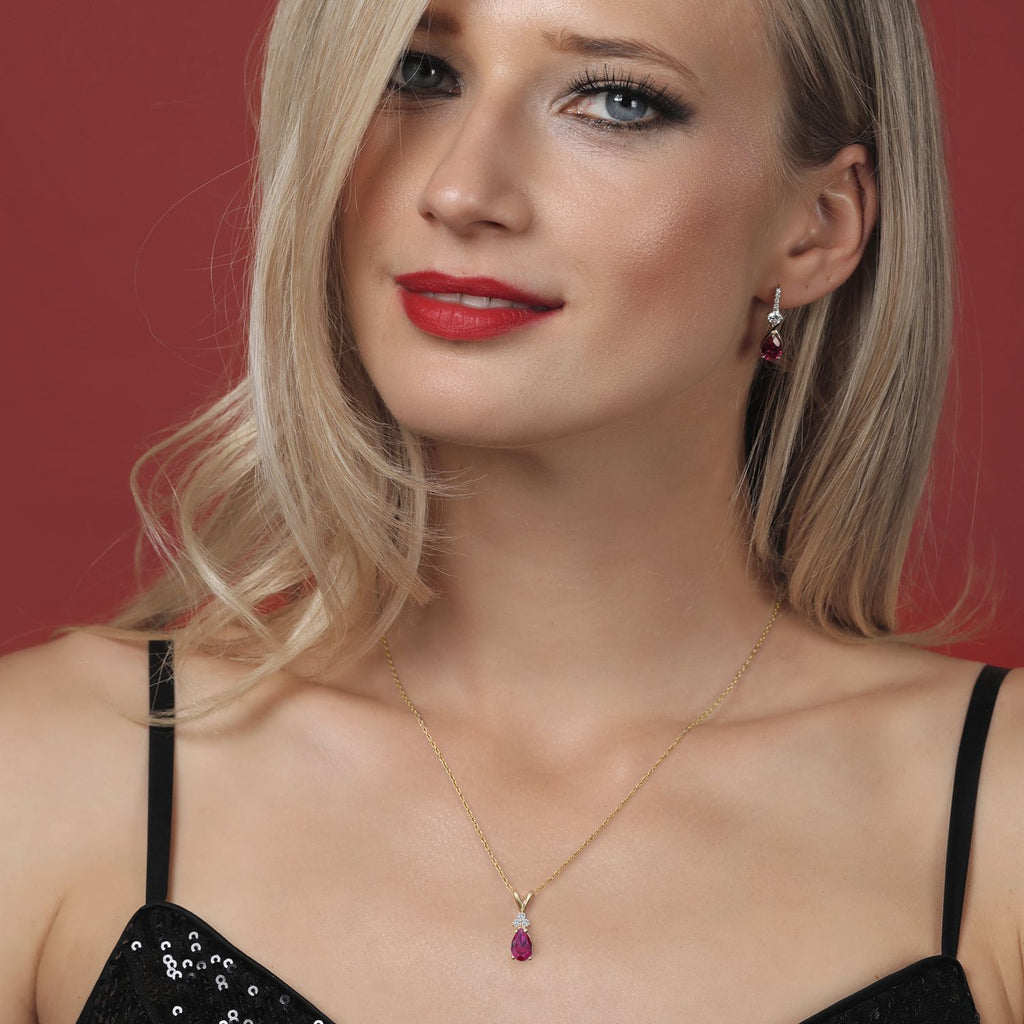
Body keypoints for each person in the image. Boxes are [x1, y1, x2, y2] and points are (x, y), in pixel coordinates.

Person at [2, 0, 1021, 1020]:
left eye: (617, 101)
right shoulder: (47, 771)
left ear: (818, 226)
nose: (459, 189)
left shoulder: (997, 816)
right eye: (419, 74)